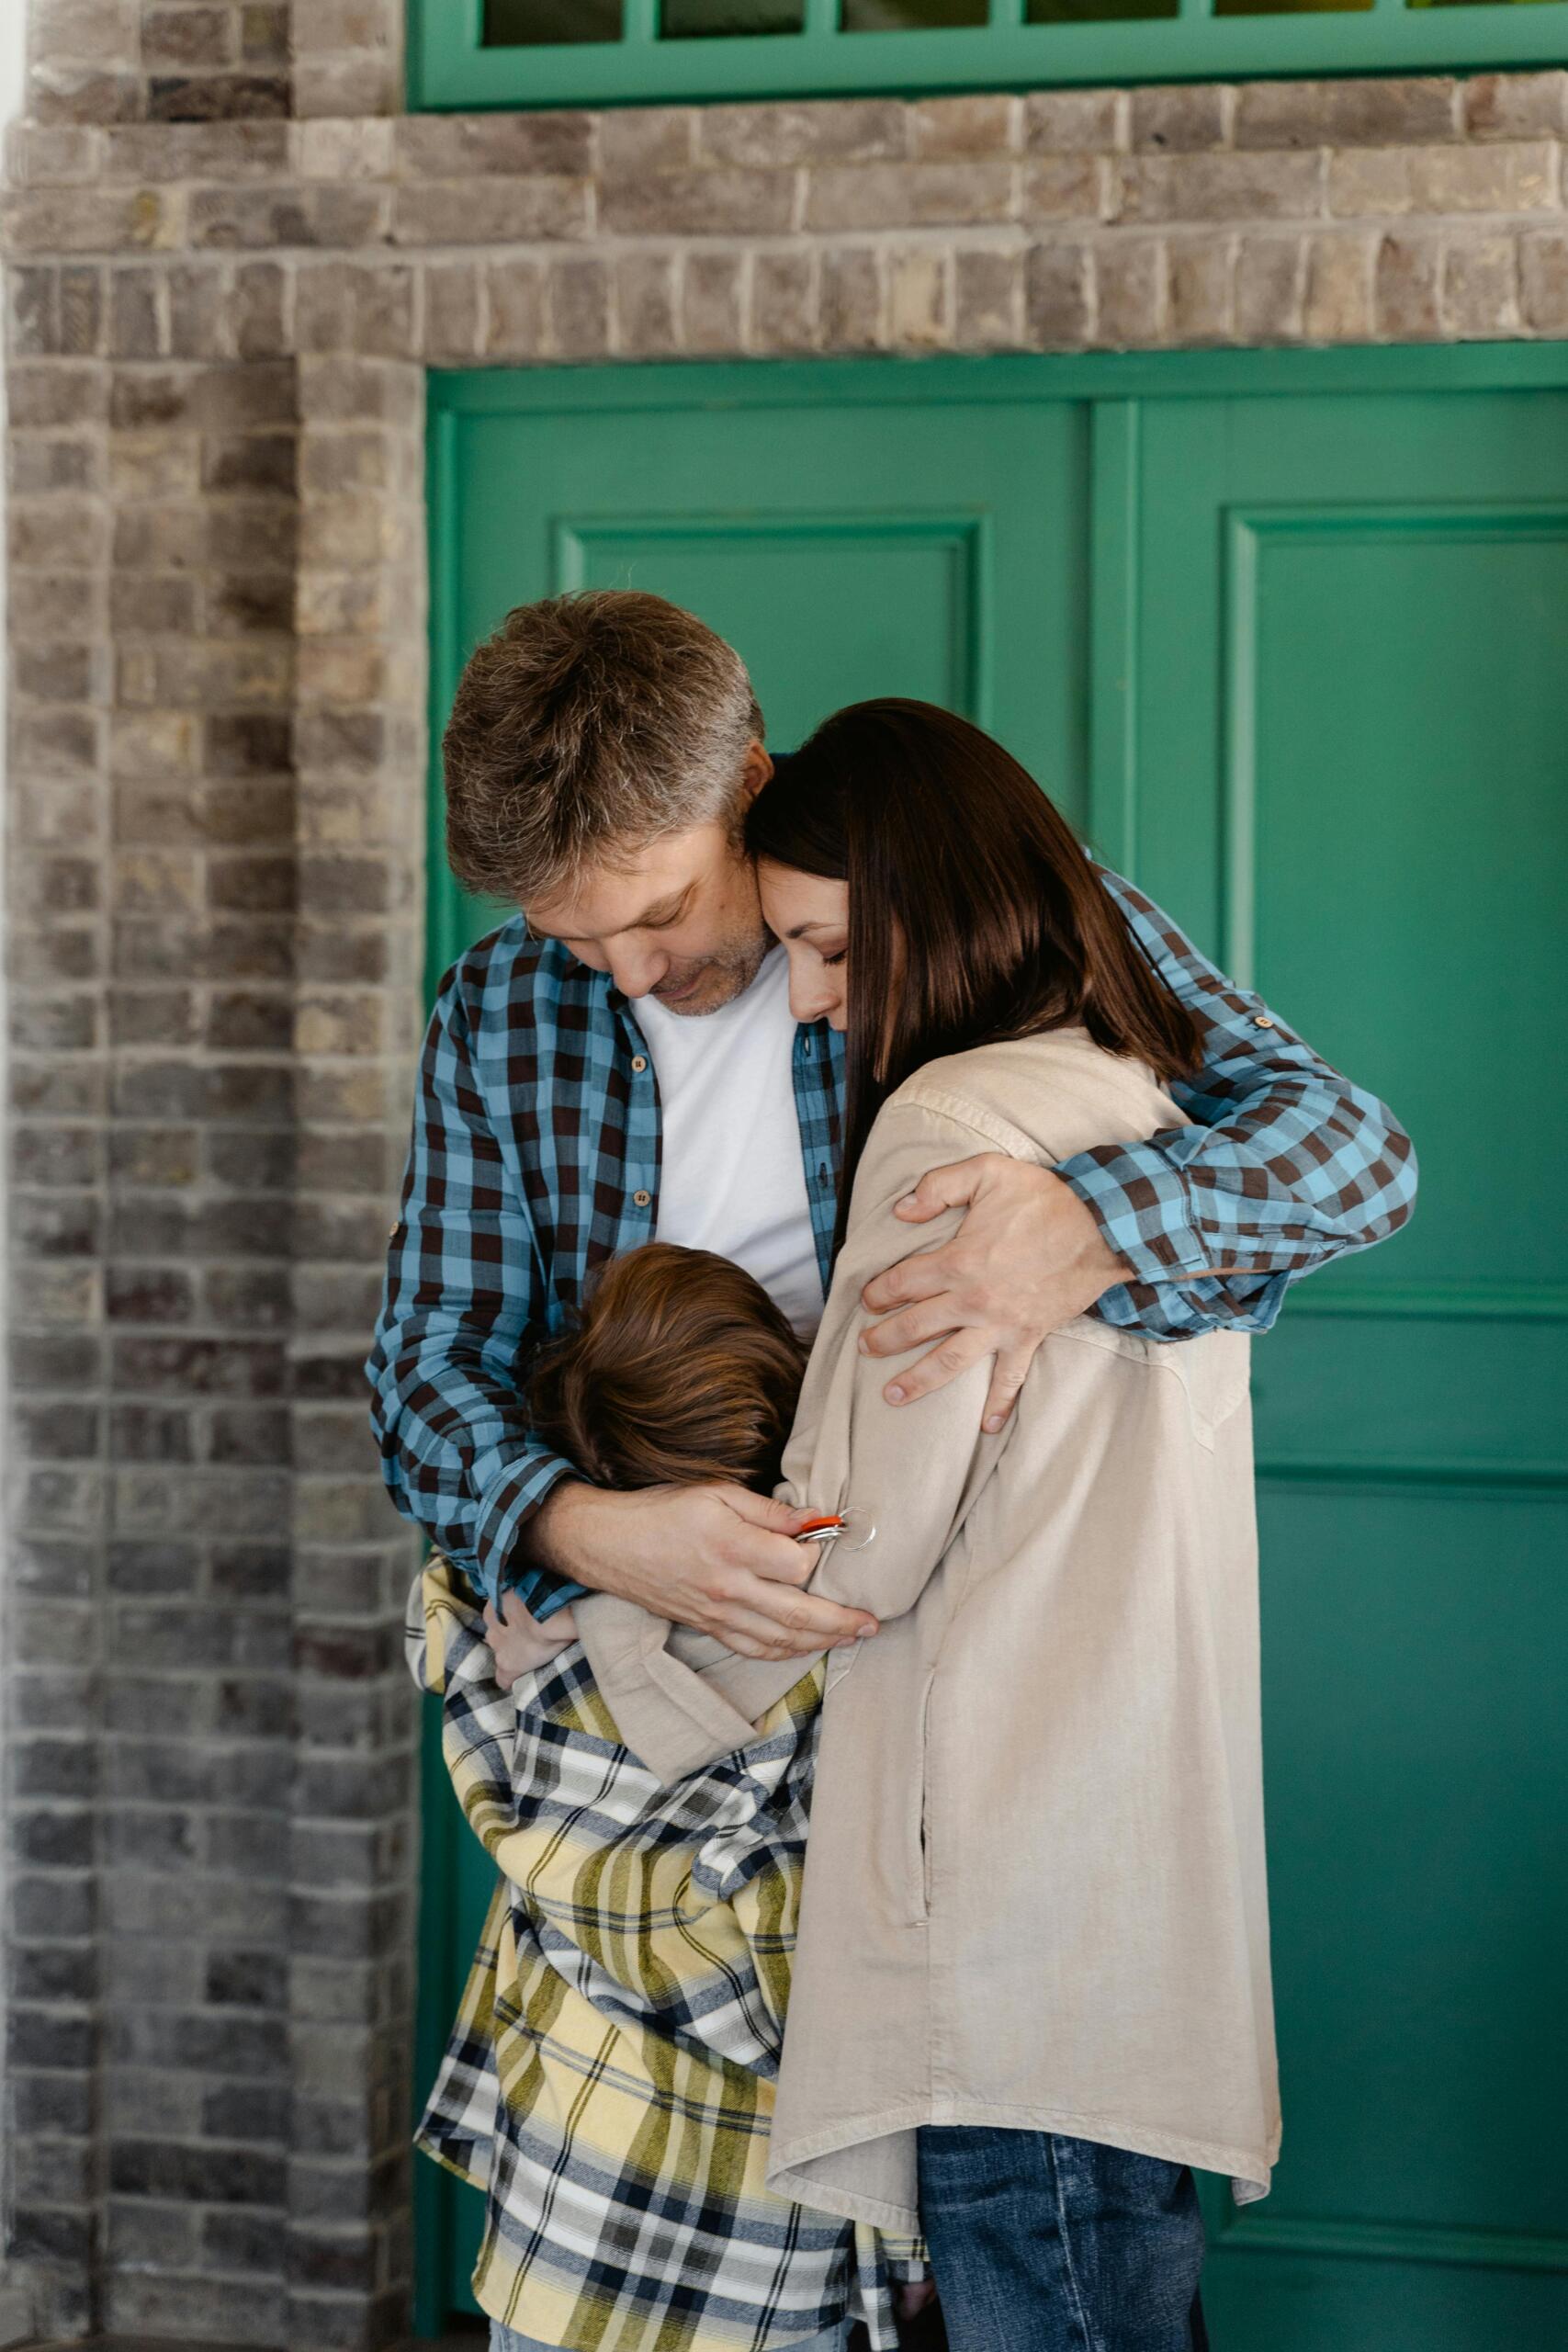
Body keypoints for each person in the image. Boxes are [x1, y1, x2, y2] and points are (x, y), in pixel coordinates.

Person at [563, 701, 1325, 2349]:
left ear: (928, 905)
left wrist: (596, 1603)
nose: (816, 1003)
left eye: (828, 950)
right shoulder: (1132, 1092)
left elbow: (855, 1557)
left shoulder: (946, 1124)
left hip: (1005, 1881)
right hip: (1132, 1853)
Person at [367, 592, 1416, 1673]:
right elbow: (427, 1362)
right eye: (571, 936)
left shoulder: (972, 904)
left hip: (929, 1623)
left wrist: (1089, 1228)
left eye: (660, 913)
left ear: (747, 785)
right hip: (623, 1641)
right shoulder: (495, 1009)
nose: (629, 975)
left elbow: (1352, 1151)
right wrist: (583, 1530)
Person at [406, 1244, 930, 2352]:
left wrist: (562, 1553)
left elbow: (448, 1609)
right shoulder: (823, 1657)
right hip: (762, 2241)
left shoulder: (507, 1636)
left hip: (567, 2189)